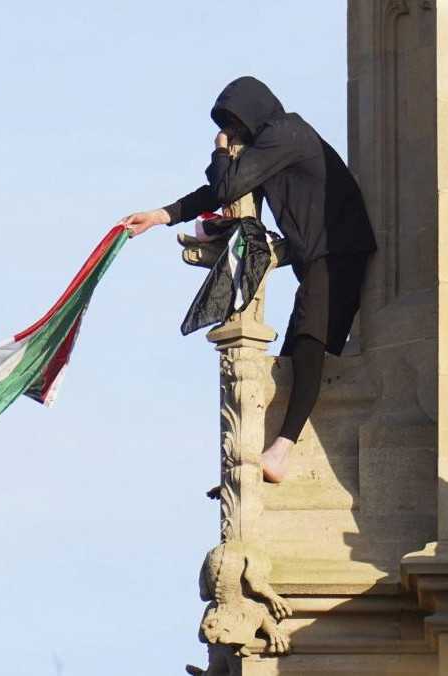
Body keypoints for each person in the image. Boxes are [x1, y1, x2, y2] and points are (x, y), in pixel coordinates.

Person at [119, 76, 376, 483]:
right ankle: (268, 456)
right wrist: (160, 216)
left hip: (338, 251)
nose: (233, 133)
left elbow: (227, 185)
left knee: (310, 345)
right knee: (296, 355)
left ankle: (281, 450)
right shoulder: (274, 144)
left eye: (234, 124)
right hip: (321, 256)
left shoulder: (286, 133)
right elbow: (216, 192)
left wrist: (220, 151)